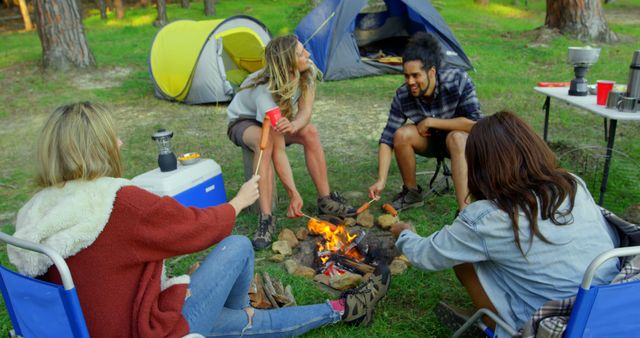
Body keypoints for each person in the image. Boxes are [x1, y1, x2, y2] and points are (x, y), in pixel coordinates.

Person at [8, 102, 391, 337]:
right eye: (114, 138)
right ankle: (333, 310)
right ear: (99, 148)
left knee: (228, 320)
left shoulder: (36, 210)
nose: (121, 144)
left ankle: (325, 312)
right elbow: (196, 227)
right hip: (142, 330)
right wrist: (239, 202)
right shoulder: (117, 203)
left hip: (87, 329)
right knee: (239, 246)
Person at [390, 111, 620, 336]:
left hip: (556, 325)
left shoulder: (487, 218)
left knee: (463, 260)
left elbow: (427, 256)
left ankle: (497, 325)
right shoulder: (572, 184)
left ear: (480, 166)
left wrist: (404, 234)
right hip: (613, 307)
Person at [227, 35, 355, 250]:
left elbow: (305, 113)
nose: (308, 54)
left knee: (310, 132)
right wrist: (293, 193)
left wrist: (294, 126)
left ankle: (325, 201)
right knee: (264, 143)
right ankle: (266, 218)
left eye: (303, 50)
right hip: (243, 120)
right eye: (300, 53)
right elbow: (278, 151)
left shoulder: (307, 71)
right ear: (287, 63)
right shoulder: (264, 93)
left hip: (277, 117)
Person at [368, 32, 481, 212]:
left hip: (464, 144)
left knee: (457, 138)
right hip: (431, 142)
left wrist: (431, 121)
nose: (410, 82)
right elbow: (387, 138)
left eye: (416, 75)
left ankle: (464, 212)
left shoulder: (458, 81)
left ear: (432, 72)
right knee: (401, 134)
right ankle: (412, 194)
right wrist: (381, 180)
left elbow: (476, 125)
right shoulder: (403, 95)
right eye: (406, 76)